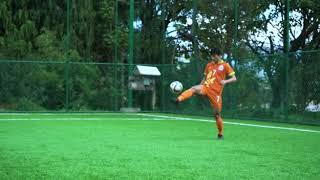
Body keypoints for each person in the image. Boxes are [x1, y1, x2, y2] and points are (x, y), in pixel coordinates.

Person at [173, 48, 237, 139]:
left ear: (219, 56)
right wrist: (199, 87)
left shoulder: (225, 65)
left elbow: (234, 78)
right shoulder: (209, 65)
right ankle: (178, 99)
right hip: (206, 87)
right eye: (212, 56)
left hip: (216, 93)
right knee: (193, 88)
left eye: (214, 56)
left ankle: (220, 133)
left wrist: (225, 81)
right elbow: (205, 77)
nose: (213, 57)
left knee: (217, 114)